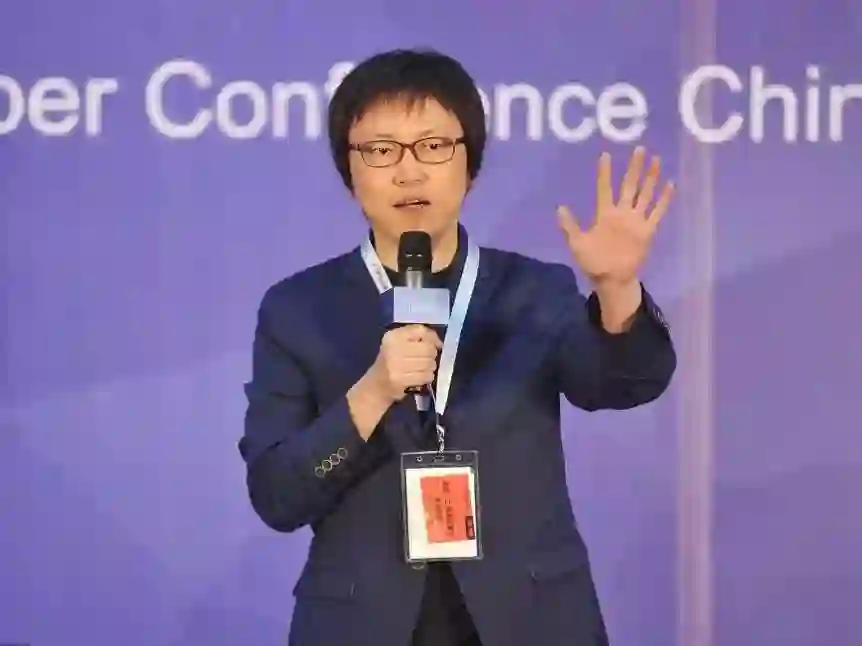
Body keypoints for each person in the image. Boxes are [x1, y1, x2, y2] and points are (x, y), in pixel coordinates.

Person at [238, 48, 676, 646]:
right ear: (350, 170)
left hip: (531, 620)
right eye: (381, 150)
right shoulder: (298, 309)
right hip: (362, 625)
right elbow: (277, 495)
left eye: (433, 146)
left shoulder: (533, 290)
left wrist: (617, 290)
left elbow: (623, 383)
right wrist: (373, 394)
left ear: (470, 164)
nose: (409, 172)